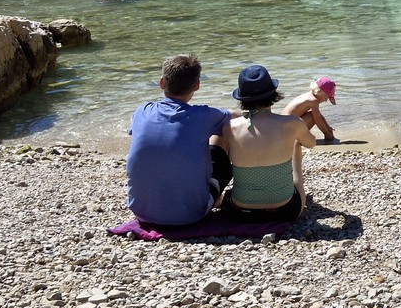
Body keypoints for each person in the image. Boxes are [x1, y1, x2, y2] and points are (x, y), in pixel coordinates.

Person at [125, 54, 233, 226]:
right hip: (191, 215)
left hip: (141, 211)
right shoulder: (203, 115)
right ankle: (220, 197)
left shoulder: (142, 111)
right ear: (196, 85)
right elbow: (237, 119)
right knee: (223, 134)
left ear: (162, 83)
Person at [221, 65, 316, 221]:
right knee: (296, 145)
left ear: (242, 98)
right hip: (285, 211)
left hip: (240, 212)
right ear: (273, 93)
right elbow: (311, 143)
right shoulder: (292, 123)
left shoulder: (229, 127)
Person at [283, 76, 339, 144]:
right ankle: (298, 140)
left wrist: (328, 127)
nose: (326, 100)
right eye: (326, 97)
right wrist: (328, 134)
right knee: (313, 116)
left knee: (314, 114)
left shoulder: (309, 96)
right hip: (287, 131)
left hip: (284, 127)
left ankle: (298, 138)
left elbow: (319, 116)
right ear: (319, 92)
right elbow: (317, 120)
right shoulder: (313, 101)